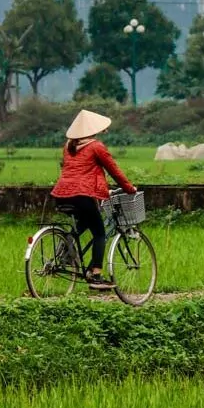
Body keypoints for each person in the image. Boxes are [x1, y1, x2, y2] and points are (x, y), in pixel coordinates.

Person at [51, 109, 137, 290]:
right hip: (83, 195)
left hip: (61, 195)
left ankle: (64, 251)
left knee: (81, 224)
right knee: (99, 232)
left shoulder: (68, 146)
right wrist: (129, 189)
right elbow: (114, 170)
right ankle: (95, 274)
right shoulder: (96, 147)